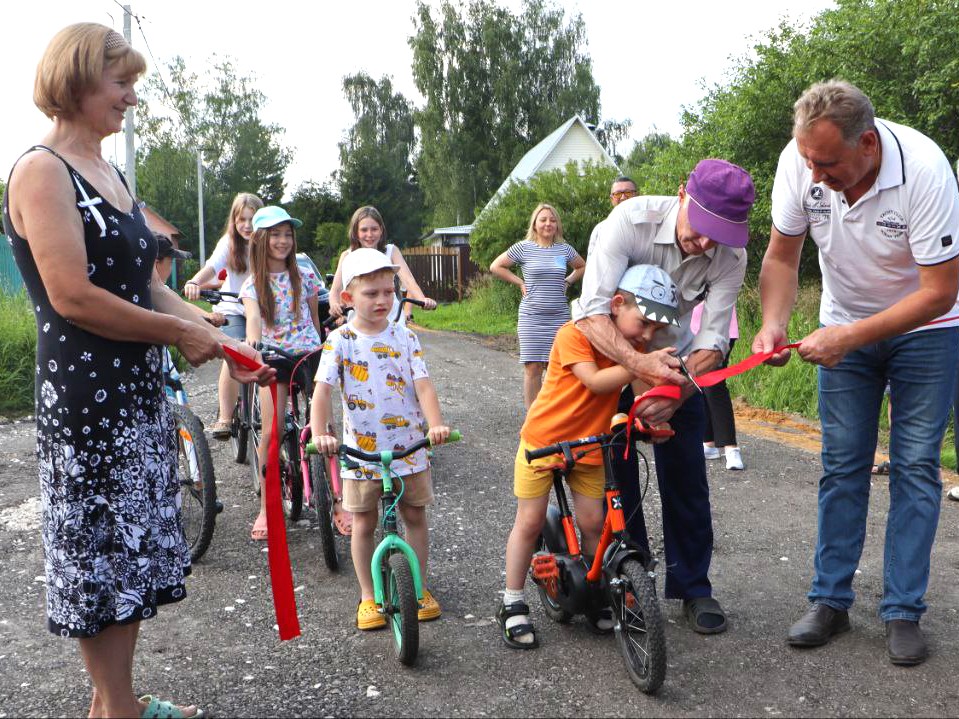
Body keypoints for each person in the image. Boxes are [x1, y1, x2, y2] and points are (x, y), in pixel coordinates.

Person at [1, 23, 270, 719]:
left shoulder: (109, 171)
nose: (132, 99)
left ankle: (111, 701)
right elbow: (73, 296)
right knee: (96, 565)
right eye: (121, 84)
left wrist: (214, 329)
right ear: (77, 80)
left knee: (128, 559)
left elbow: (140, 285)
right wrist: (178, 332)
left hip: (135, 399)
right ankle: (118, 705)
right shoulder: (40, 170)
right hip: (87, 408)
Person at [754, 80, 959, 666]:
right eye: (808, 161)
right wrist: (773, 322)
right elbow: (781, 256)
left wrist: (849, 337)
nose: (814, 176)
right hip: (841, 324)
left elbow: (941, 292)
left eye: (828, 163)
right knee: (841, 465)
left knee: (916, 467)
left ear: (868, 143)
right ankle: (829, 601)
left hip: (927, 332)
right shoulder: (803, 161)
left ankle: (902, 612)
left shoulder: (924, 170)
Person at [572, 158, 756, 634]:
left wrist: (673, 390)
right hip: (609, 361)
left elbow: (715, 339)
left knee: (687, 478)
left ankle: (694, 587)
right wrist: (639, 369)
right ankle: (631, 582)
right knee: (617, 477)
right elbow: (593, 315)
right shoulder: (628, 222)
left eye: (720, 235)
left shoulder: (732, 255)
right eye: (700, 231)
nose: (706, 245)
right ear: (681, 195)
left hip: (679, 366)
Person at [496, 264, 680, 649]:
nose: (646, 336)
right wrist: (639, 363)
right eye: (643, 323)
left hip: (591, 444)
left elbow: (643, 387)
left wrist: (652, 416)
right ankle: (512, 602)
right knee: (529, 523)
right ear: (616, 304)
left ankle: (598, 595)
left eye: (653, 332)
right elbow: (595, 382)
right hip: (543, 440)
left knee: (595, 522)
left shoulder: (635, 350)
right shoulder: (574, 333)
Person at [311, 248, 451, 629]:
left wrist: (435, 425)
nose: (381, 300)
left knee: (415, 516)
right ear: (347, 298)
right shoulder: (340, 340)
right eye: (371, 293)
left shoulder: (404, 337)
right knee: (363, 523)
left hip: (408, 448)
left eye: (388, 292)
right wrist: (322, 433)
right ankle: (369, 596)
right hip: (361, 453)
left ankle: (418, 587)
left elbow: (423, 385)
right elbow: (321, 390)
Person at [240, 206, 325, 541]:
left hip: (307, 353)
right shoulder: (252, 285)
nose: (283, 240)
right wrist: (253, 343)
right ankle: (266, 507)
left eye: (287, 234)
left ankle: (334, 499)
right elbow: (252, 321)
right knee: (272, 430)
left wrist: (322, 350)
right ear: (261, 239)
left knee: (324, 427)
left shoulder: (304, 275)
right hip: (273, 357)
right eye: (275, 234)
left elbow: (314, 321)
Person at [490, 203, 587, 408]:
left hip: (559, 318)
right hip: (532, 318)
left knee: (558, 369)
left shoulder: (564, 249)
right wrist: (520, 282)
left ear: (557, 225)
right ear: (535, 224)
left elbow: (582, 266)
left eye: (552, 220)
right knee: (532, 369)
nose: (548, 224)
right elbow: (496, 266)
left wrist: (568, 281)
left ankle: (554, 415)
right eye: (543, 220)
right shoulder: (523, 247)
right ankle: (533, 419)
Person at [184, 192, 264, 439]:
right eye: (242, 219)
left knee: (270, 355)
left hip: (263, 311)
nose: (248, 226)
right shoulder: (229, 243)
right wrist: (194, 281)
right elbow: (212, 266)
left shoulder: (269, 241)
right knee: (235, 351)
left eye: (253, 219)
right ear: (234, 220)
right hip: (234, 309)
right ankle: (226, 417)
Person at [328, 206, 436, 324]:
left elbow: (408, 280)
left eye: (374, 229)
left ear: (381, 230)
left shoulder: (391, 251)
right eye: (364, 230)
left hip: (391, 319)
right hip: (360, 323)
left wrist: (422, 300)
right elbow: (335, 290)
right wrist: (334, 305)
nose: (369, 234)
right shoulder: (347, 256)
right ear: (355, 232)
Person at [692, 301, 744, 470]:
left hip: (720, 327)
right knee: (700, 384)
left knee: (714, 385)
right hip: (691, 326)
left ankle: (731, 448)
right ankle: (709, 443)